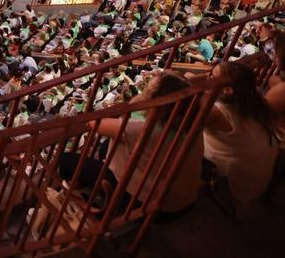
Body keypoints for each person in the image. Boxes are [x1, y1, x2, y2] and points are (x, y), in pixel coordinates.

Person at [58, 71, 202, 219]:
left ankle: (77, 193)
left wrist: (144, 96)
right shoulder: (193, 122)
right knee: (105, 146)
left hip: (151, 207)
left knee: (65, 159)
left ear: (157, 102)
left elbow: (93, 122)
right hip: (184, 199)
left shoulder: (141, 129)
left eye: (148, 92)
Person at [202, 61, 277, 203]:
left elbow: (179, 116)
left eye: (212, 76)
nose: (207, 76)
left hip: (236, 180)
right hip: (256, 175)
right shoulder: (254, 100)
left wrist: (185, 81)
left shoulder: (218, 112)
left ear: (227, 90)